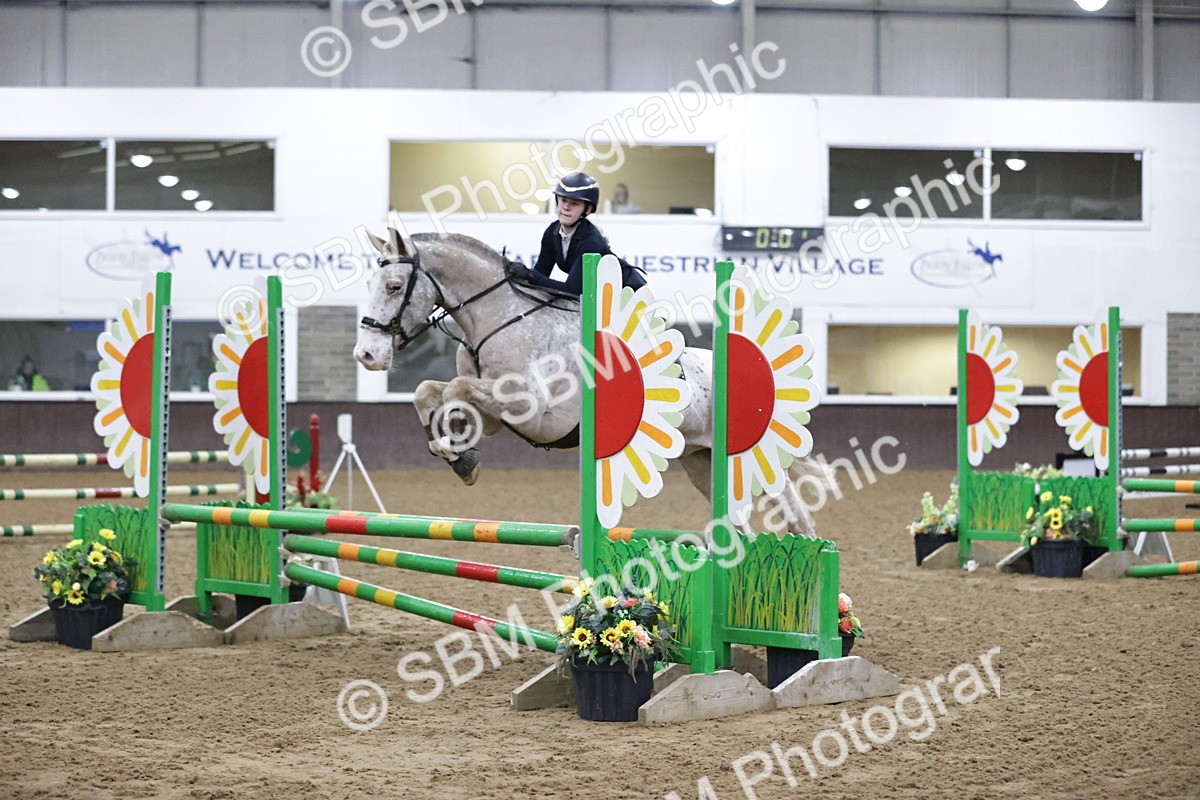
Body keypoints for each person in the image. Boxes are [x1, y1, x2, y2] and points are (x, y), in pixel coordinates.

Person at [506, 172, 646, 296]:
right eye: (563, 200)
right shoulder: (552, 232)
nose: (566, 207)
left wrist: (529, 274)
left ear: (588, 209)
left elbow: (572, 291)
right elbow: (541, 275)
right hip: (602, 297)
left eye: (574, 203)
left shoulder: (591, 241)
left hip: (631, 293)